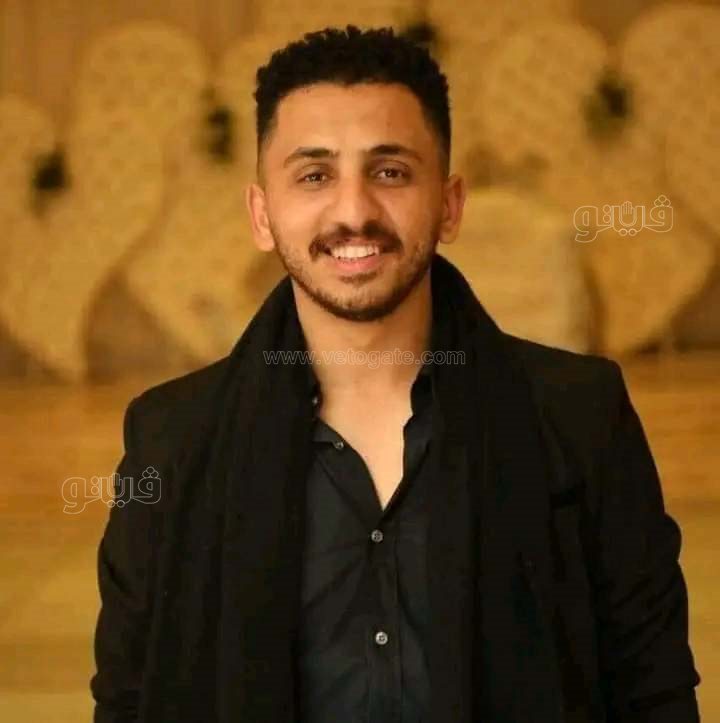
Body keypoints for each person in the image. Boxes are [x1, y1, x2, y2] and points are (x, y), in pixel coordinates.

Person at [90, 25, 701, 723]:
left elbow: (655, 691)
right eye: (314, 175)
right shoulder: (169, 441)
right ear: (261, 214)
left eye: (390, 172)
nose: (354, 212)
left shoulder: (582, 417)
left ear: (450, 204)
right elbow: (127, 702)